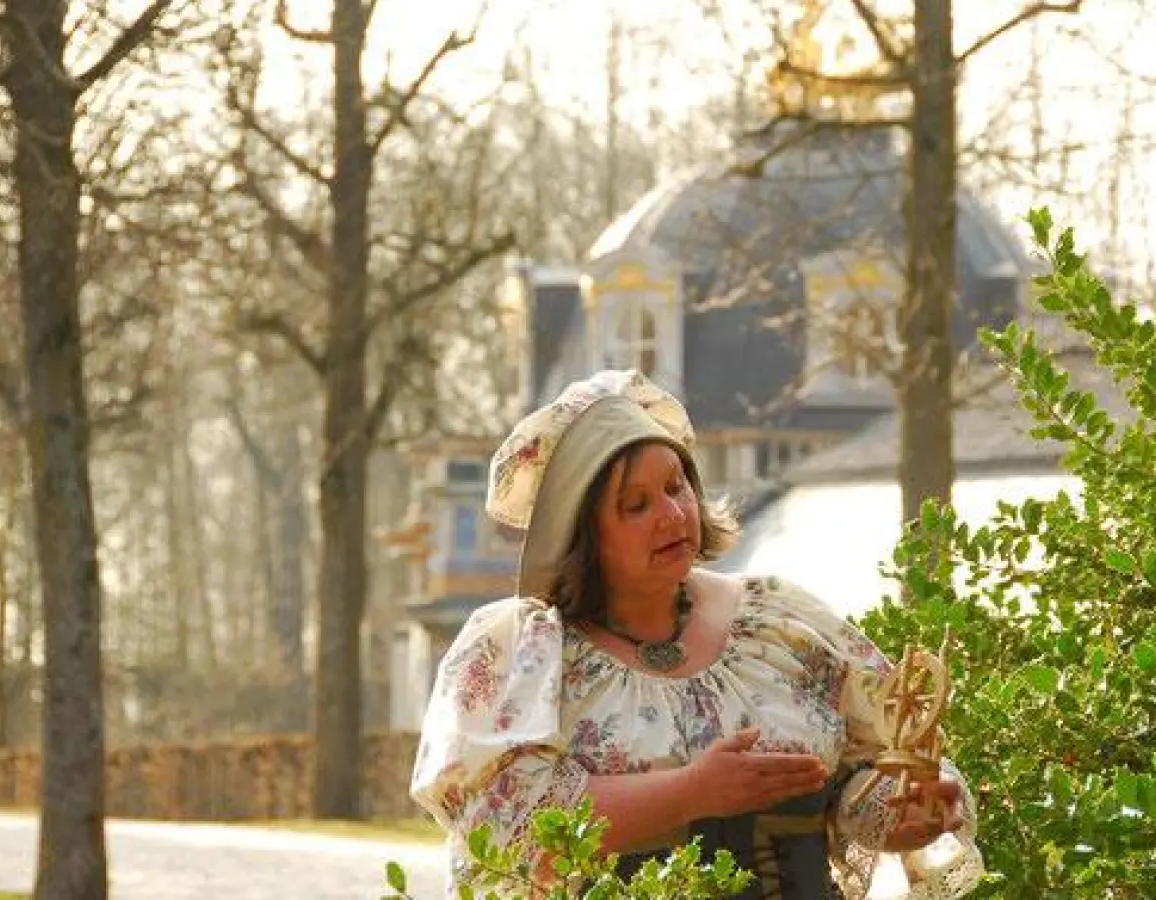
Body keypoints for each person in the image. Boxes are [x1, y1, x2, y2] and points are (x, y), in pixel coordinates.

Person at [411, 370, 982, 899]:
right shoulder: (518, 653)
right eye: (635, 505)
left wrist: (902, 809)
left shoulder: (780, 620)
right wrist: (692, 791)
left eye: (677, 486)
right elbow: (509, 826)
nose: (671, 514)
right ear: (581, 535)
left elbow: (864, 774)